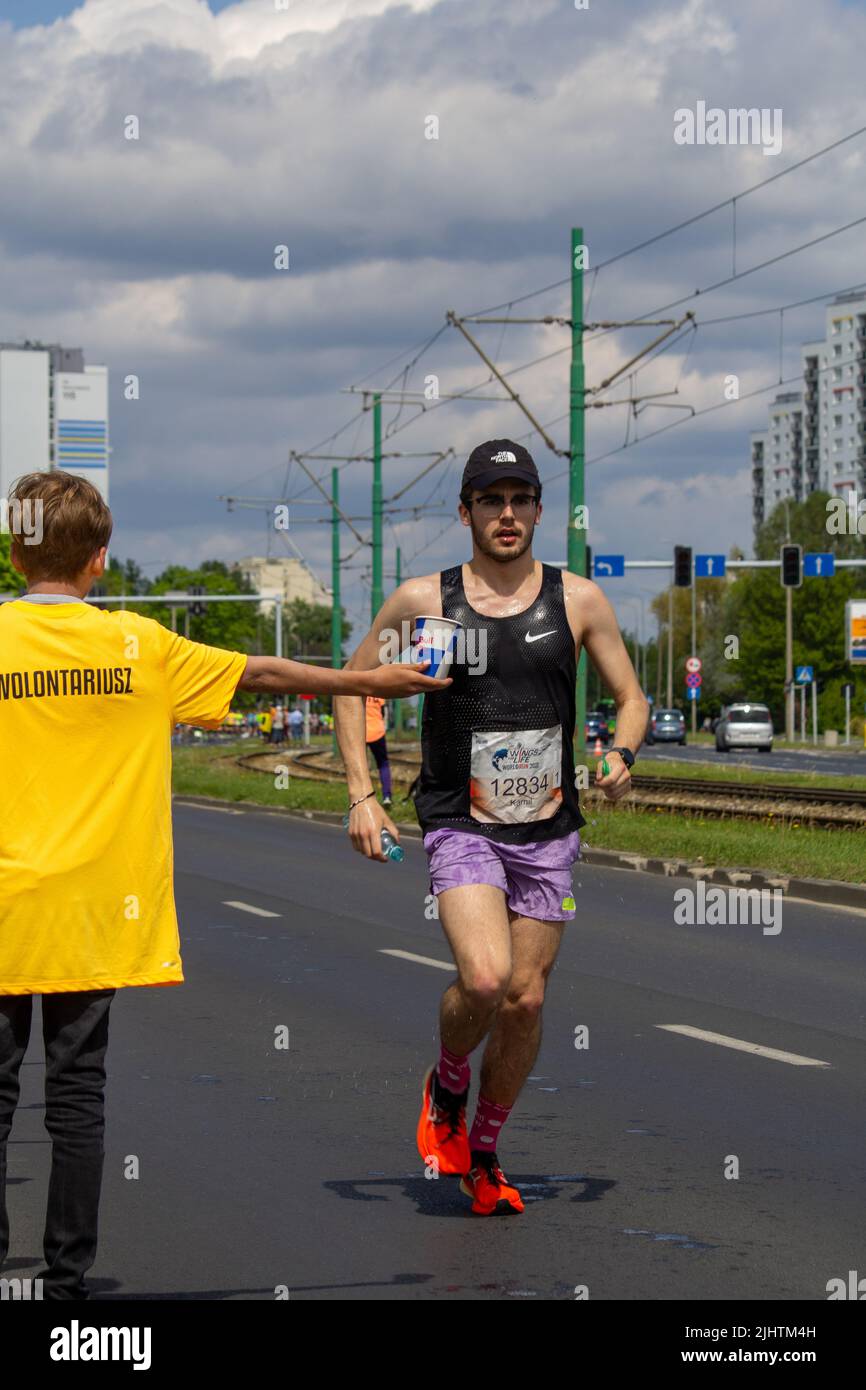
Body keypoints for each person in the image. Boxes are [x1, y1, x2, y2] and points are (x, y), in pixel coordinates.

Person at [0, 470, 449, 1300]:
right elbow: (266, 676)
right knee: (76, 1094)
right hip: (98, 909)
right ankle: (64, 1282)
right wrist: (367, 683)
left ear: (17, 549)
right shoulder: (140, 646)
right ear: (100, 560)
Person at [336, 440, 647, 1216]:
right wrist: (360, 794)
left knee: (526, 1001)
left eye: (520, 500)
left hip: (547, 830)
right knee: (486, 978)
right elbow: (350, 687)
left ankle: (485, 1152)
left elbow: (631, 698)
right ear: (466, 511)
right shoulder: (426, 601)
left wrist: (622, 751)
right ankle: (447, 1080)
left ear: (540, 509)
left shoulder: (578, 601)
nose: (506, 515)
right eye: (490, 500)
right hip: (459, 821)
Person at [365, 696, 392, 807]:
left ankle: (364, 798)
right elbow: (383, 712)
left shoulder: (356, 689)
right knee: (383, 764)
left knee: (361, 766)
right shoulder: (377, 692)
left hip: (361, 732)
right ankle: (386, 797)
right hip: (377, 732)